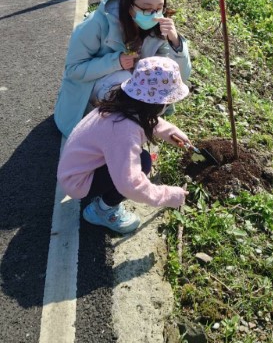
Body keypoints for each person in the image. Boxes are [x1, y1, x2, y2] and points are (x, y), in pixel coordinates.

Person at [57, 56, 191, 234]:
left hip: (76, 168)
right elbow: (130, 185)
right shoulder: (123, 131)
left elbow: (149, 122)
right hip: (77, 182)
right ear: (155, 105)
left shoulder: (122, 106)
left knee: (140, 159)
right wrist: (168, 195)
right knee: (143, 162)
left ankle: (101, 200)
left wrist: (171, 133)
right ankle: (101, 211)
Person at [54, 0, 191, 138]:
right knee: (124, 89)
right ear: (128, 4)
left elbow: (177, 78)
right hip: (93, 88)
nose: (154, 15)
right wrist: (115, 62)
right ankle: (123, 136)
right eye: (147, 9)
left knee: (157, 84)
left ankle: (132, 129)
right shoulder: (95, 25)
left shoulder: (160, 27)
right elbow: (73, 70)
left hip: (131, 86)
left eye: (159, 8)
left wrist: (176, 42)